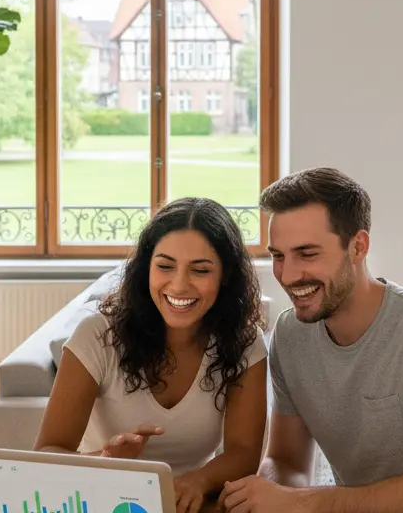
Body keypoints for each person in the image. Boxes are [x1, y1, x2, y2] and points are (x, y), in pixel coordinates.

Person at [219, 167, 403, 513]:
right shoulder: (290, 334)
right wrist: (264, 491)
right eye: (278, 256)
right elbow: (289, 462)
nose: (289, 275)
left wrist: (304, 502)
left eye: (307, 254)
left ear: (358, 246)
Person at [33, 197, 268, 513]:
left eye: (200, 270)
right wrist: (104, 462)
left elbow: (244, 453)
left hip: (190, 504)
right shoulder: (96, 336)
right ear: (146, 269)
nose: (179, 285)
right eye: (165, 266)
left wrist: (197, 481)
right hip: (103, 498)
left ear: (225, 276)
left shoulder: (245, 341)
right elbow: (48, 452)